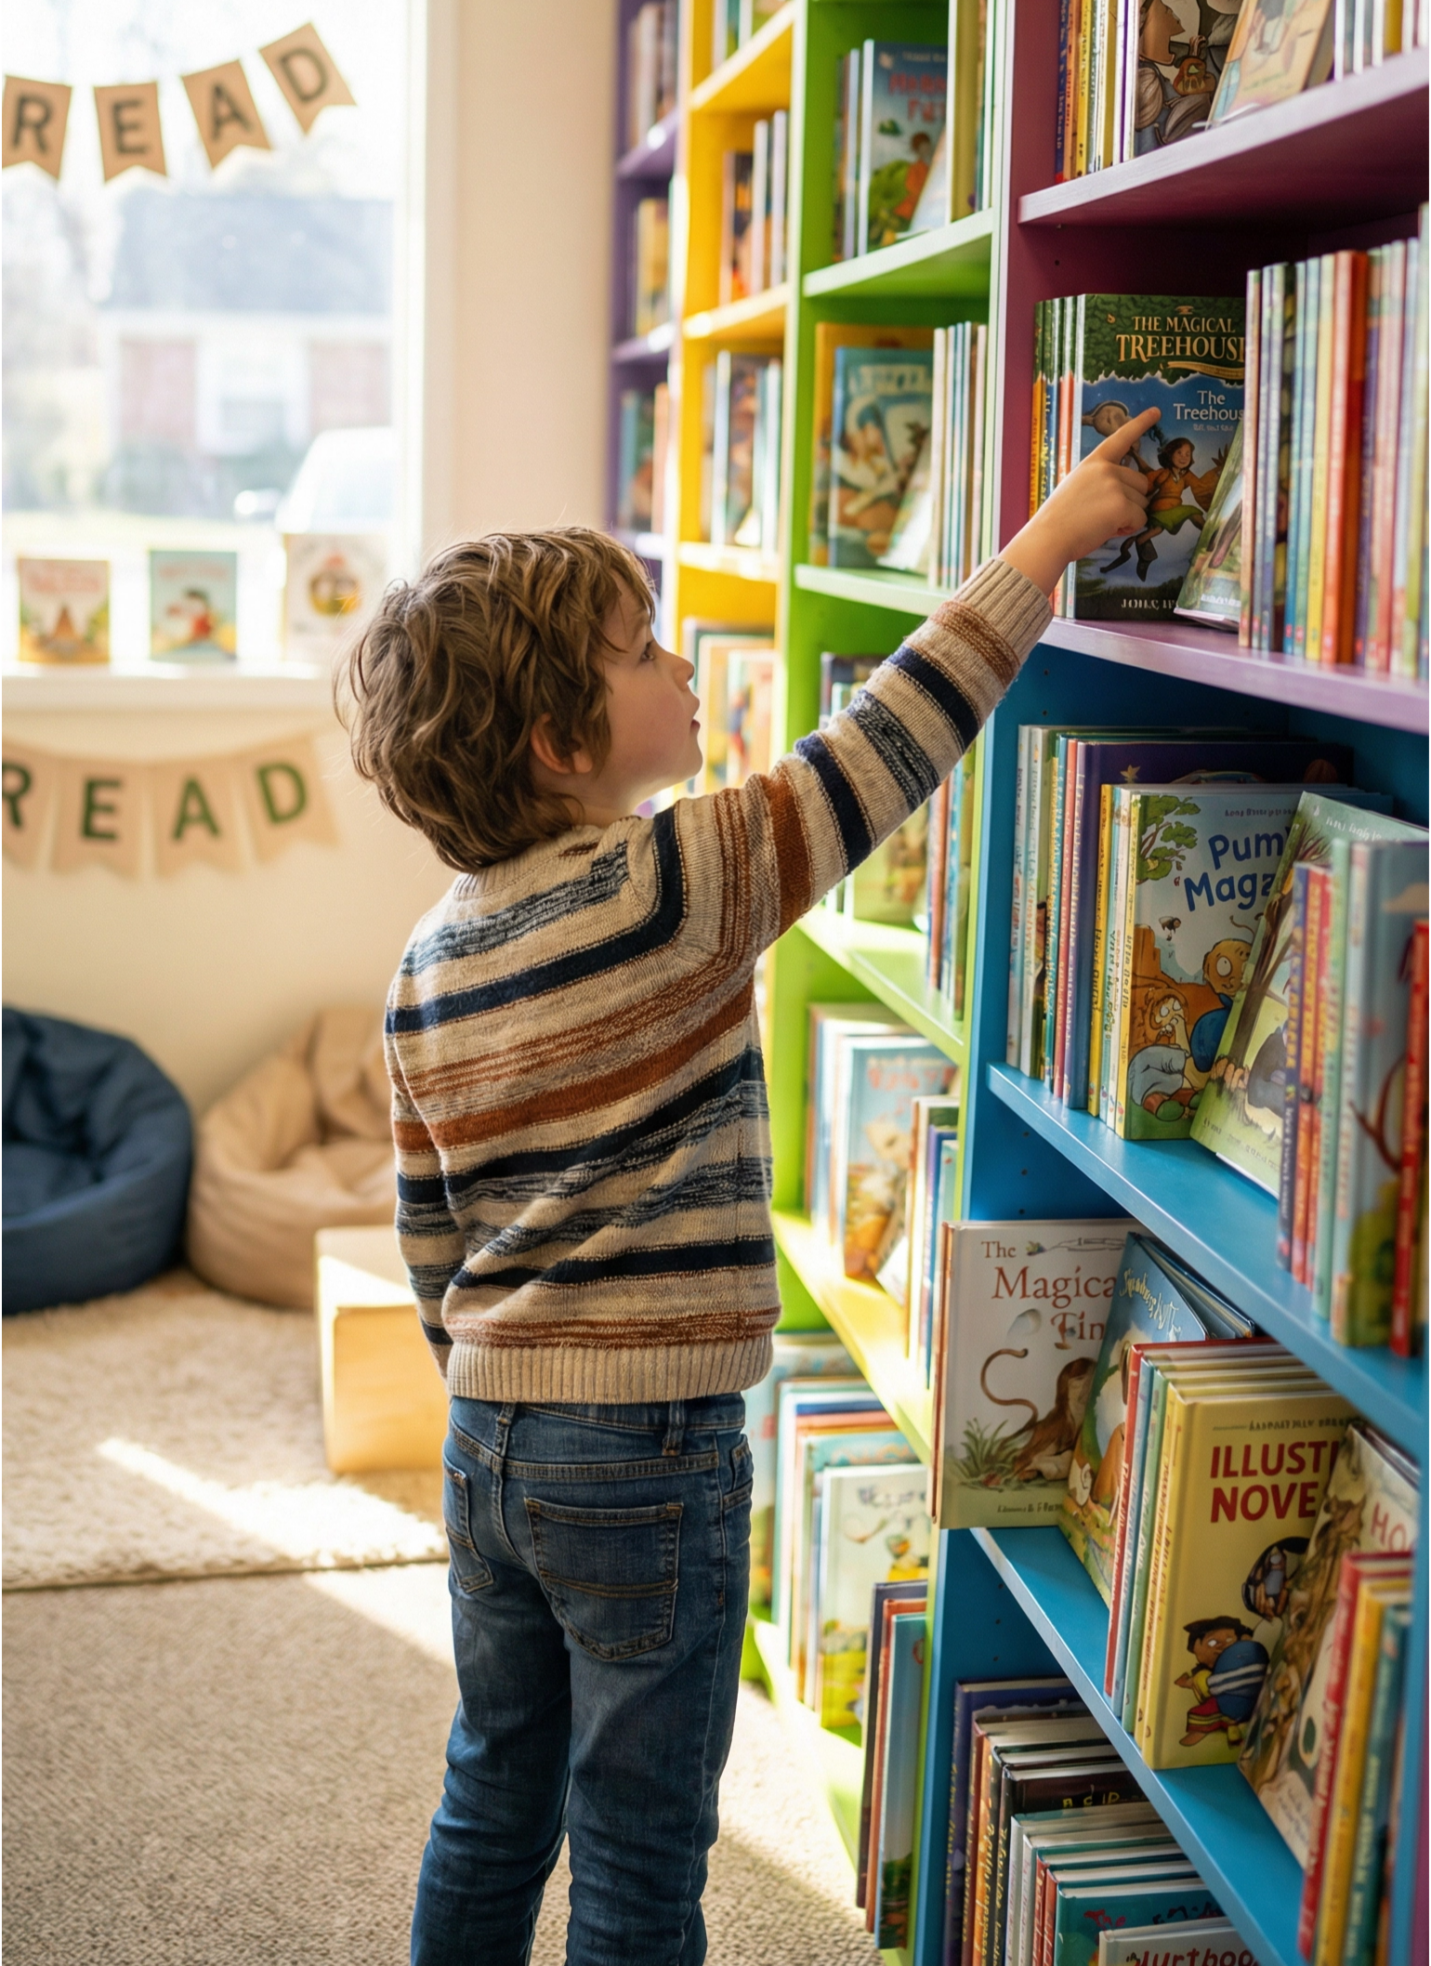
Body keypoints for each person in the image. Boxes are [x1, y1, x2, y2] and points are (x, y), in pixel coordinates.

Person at [343, 405, 1158, 1966]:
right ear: (563, 743)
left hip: (490, 1436)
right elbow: (892, 736)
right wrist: (1051, 540)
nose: (682, 669)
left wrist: (491, 1376)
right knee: (641, 1840)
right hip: (645, 1445)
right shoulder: (675, 883)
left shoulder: (428, 958)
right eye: (646, 652)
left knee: (494, 1785)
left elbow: (428, 1231)